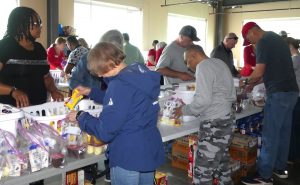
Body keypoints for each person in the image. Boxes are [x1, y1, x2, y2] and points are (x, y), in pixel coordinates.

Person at [67, 42, 165, 185]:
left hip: (128, 154)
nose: (99, 76)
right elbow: (127, 100)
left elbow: (105, 131)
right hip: (149, 149)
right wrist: (91, 92)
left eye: (98, 72)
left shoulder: (118, 85)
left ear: (105, 66)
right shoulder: (138, 71)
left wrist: (80, 116)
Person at [240, 22, 298, 185]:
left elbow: (258, 71)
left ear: (253, 32)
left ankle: (264, 176)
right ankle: (280, 168)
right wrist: (253, 83)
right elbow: (273, 71)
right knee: (283, 133)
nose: (252, 44)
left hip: (278, 94)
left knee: (270, 135)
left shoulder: (264, 42)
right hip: (291, 92)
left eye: (249, 40)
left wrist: (246, 83)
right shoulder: (278, 39)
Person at [174, 45, 236, 185]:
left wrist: (184, 110)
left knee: (202, 173)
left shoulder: (203, 67)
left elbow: (203, 100)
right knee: (222, 167)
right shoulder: (219, 63)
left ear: (193, 55)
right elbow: (231, 92)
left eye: (187, 61)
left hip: (215, 125)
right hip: (227, 119)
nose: (188, 66)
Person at [0, 6, 63, 108]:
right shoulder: (4, 46)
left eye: (40, 23)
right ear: (20, 25)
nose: (40, 26)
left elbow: (46, 77)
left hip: (37, 110)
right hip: (11, 112)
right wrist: (12, 91)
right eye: (35, 23)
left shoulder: (39, 49)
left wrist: (54, 90)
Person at [284, 37, 300, 164]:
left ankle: (292, 156)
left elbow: (286, 76)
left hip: (296, 97)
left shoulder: (295, 60)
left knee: (293, 127)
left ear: (290, 47)